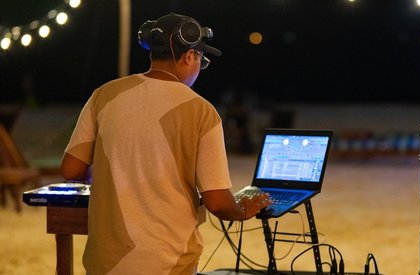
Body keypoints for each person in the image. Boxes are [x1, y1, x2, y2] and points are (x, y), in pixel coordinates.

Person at [60, 12, 271, 275]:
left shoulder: (104, 95)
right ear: (188, 56)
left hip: (106, 261)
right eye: (201, 61)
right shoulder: (201, 111)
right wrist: (242, 209)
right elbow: (217, 202)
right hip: (168, 262)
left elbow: (71, 170)